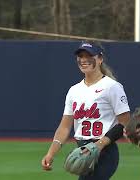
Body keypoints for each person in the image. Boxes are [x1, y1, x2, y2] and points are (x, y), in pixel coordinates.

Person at [41, 40, 130, 180]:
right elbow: (64, 127)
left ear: (100, 59)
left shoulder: (112, 86)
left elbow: (125, 123)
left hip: (105, 152)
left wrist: (99, 145)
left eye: (89, 56)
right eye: (81, 56)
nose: (84, 60)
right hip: (82, 150)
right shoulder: (74, 90)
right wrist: (51, 153)